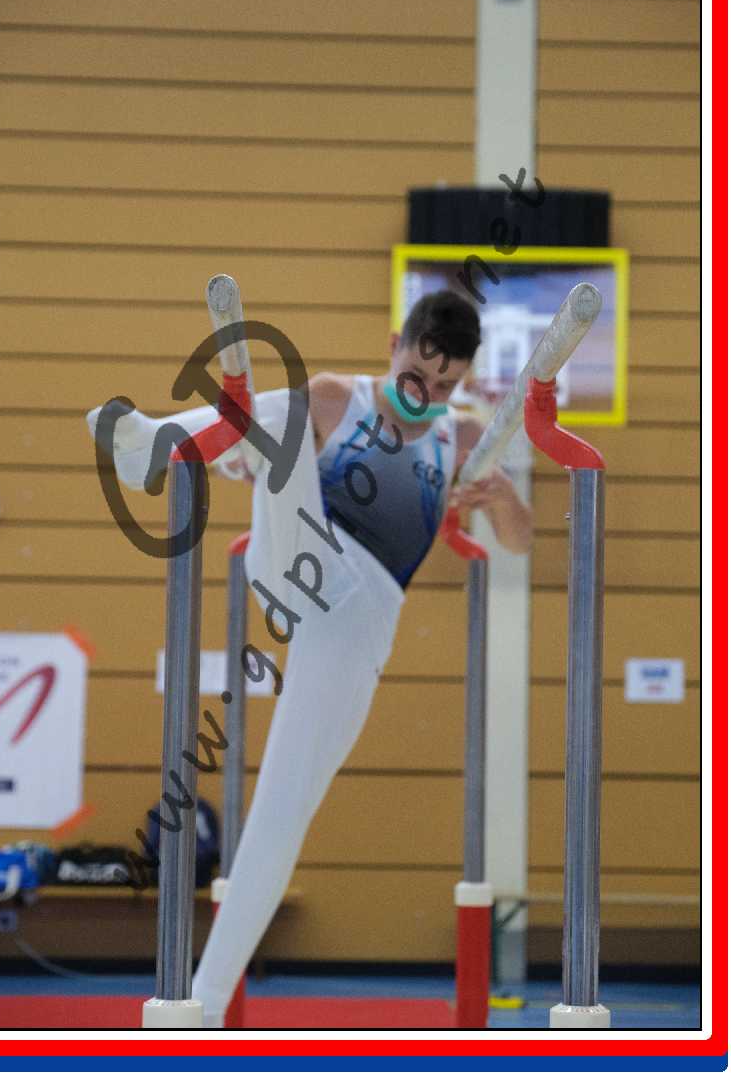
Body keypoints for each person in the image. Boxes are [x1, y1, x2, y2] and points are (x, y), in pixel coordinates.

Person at [87, 289, 531, 1027]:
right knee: (286, 414)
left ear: (463, 382)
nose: (425, 396)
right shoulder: (334, 399)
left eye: (444, 386)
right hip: (298, 564)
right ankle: (155, 447)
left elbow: (519, 541)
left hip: (357, 623)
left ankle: (200, 1004)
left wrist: (504, 500)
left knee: (281, 812)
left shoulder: (462, 440)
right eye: (417, 376)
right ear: (394, 346)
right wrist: (253, 453)